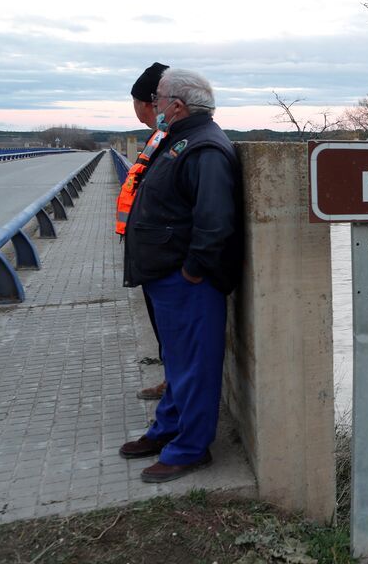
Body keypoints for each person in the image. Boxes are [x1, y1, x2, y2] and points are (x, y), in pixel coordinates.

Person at [118, 68, 243, 483]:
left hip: (187, 282)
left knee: (194, 366)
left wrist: (191, 272)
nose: (154, 106)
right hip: (165, 277)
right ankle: (167, 430)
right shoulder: (180, 139)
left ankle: (191, 449)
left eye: (158, 99)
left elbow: (215, 221)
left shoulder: (204, 147)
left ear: (177, 105)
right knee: (177, 363)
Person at [119, 61, 170, 401]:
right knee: (163, 328)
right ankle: (170, 382)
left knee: (171, 330)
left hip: (165, 256)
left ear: (144, 104)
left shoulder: (170, 137)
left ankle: (174, 389)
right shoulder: (159, 137)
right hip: (150, 253)